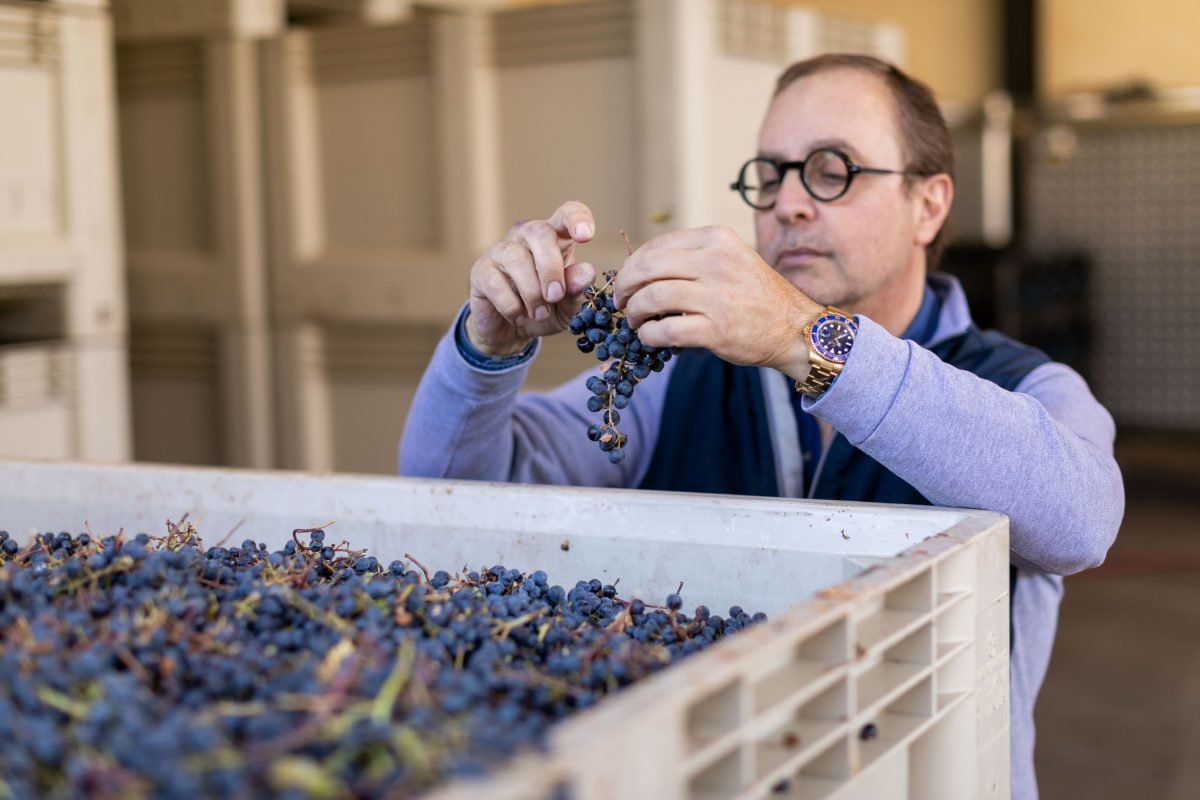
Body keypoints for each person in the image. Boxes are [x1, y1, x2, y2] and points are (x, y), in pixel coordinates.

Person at [399, 54, 1124, 799]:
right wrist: (486, 347)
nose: (789, 205)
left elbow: (1082, 519)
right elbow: (452, 495)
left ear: (929, 204)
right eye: (770, 175)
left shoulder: (1022, 387)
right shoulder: (681, 375)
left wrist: (806, 342)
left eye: (831, 169)